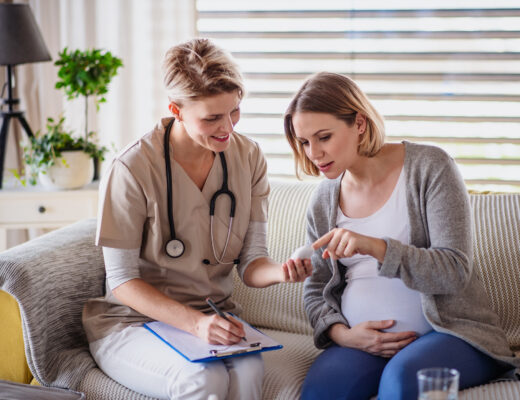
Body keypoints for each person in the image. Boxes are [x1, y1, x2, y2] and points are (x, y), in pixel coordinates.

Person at [82, 38, 311, 400]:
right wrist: (196, 324)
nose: (228, 127)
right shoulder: (133, 168)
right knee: (203, 380)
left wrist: (282, 272)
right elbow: (123, 280)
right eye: (212, 118)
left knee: (250, 370)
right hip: (132, 323)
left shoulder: (248, 157)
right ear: (176, 109)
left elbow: (252, 263)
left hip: (214, 317)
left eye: (234, 111)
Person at [283, 72, 519, 399]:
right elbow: (317, 289)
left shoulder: (430, 167)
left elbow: (454, 271)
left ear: (360, 124)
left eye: (324, 137)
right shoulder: (324, 199)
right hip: (360, 344)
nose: (314, 153)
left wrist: (377, 248)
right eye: (304, 142)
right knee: (323, 390)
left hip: (446, 334)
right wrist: (342, 335)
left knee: (400, 381)